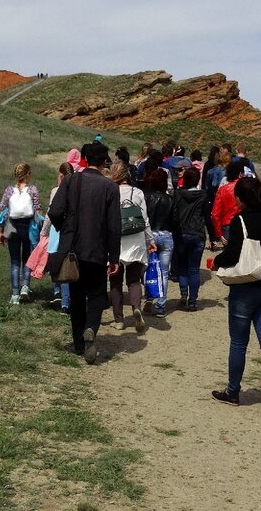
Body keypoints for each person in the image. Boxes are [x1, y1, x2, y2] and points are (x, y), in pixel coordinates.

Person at [209, 177, 261, 420]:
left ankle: (232, 391)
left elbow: (233, 255)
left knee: (238, 343)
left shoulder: (239, 221)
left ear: (242, 198)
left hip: (245, 288)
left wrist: (216, 261)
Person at [46, 142, 121, 364]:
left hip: (72, 249)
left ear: (85, 159)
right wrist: (114, 257)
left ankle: (79, 344)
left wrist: (66, 228)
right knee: (97, 295)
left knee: (77, 296)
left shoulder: (70, 180)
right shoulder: (110, 187)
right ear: (103, 161)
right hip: (97, 249)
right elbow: (114, 226)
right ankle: (90, 328)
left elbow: (54, 211)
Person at [108, 160, 154, 333]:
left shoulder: (110, 191)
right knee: (134, 280)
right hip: (135, 239)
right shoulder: (138, 192)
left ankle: (118, 319)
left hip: (116, 241)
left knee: (115, 280)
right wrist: (150, 240)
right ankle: (136, 307)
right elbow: (145, 220)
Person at [0, 162, 41, 305]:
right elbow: (38, 209)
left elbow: (3, 210)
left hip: (12, 227)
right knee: (27, 259)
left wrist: (1, 232)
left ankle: (15, 295)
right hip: (28, 227)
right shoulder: (32, 189)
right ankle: (25, 287)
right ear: (27, 175)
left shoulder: (9, 190)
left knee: (15, 261)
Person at [39, 162, 75, 312]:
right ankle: (66, 299)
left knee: (58, 264)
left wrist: (43, 232)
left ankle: (60, 296)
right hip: (71, 231)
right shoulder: (76, 191)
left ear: (60, 176)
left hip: (57, 230)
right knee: (68, 264)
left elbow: (50, 214)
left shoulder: (56, 191)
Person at [142, 167, 177, 317]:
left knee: (147, 269)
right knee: (163, 272)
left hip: (149, 235)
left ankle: (149, 298)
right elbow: (175, 221)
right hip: (166, 235)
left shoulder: (145, 196)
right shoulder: (170, 199)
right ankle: (161, 306)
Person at [173, 165, 208, 311]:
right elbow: (207, 215)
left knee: (182, 267)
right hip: (198, 233)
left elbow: (174, 213)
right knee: (194, 269)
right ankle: (193, 302)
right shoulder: (203, 195)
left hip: (181, 233)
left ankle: (183, 294)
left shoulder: (177, 194)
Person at [210, 159, 247, 245]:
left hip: (227, 224)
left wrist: (219, 234)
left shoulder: (222, 190)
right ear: (241, 174)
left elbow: (215, 214)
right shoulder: (247, 188)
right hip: (244, 224)